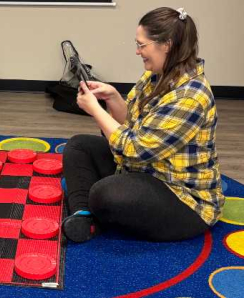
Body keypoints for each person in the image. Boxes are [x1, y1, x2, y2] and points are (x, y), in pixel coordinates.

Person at [61, 7, 224, 242]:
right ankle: (83, 216)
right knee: (79, 146)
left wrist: (95, 110)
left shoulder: (191, 96)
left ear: (166, 44)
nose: (138, 52)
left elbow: (135, 150)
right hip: (146, 171)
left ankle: (94, 209)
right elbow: (132, 123)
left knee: (105, 194)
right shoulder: (157, 74)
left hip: (184, 199)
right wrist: (113, 97)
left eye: (142, 45)